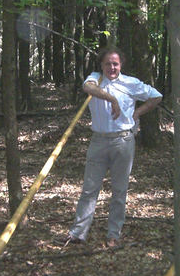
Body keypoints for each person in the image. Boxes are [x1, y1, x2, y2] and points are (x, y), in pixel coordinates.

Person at [64, 48, 162, 248]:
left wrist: (137, 113)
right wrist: (112, 99)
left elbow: (156, 96)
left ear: (121, 65)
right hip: (98, 141)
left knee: (119, 191)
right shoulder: (95, 79)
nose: (112, 67)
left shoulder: (131, 83)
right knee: (89, 190)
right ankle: (78, 233)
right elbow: (88, 89)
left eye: (115, 64)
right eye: (108, 63)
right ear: (101, 65)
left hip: (123, 141)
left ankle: (113, 234)